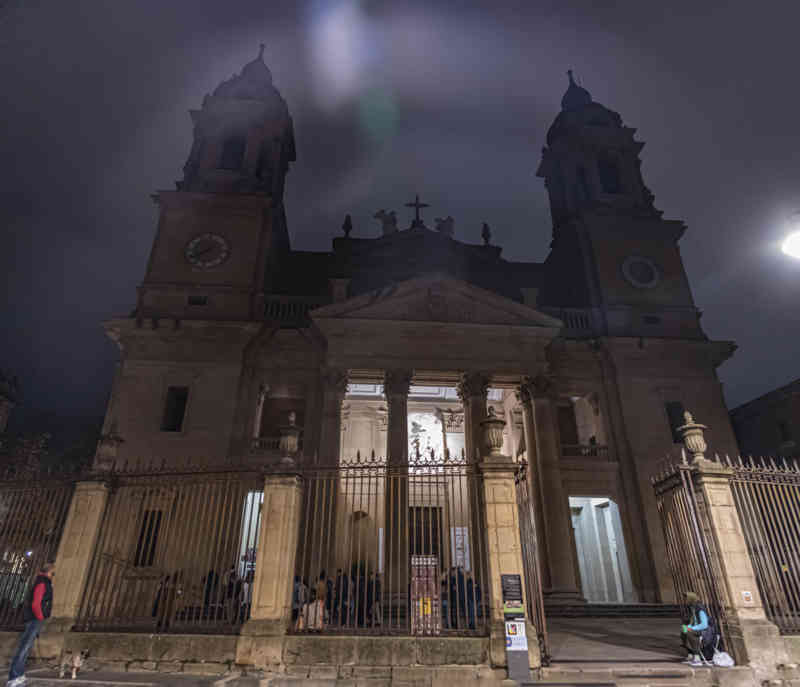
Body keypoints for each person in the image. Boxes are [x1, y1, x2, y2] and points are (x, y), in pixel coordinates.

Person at [8, 562, 55, 687]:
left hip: (35, 619)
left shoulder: (42, 582)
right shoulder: (42, 583)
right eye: (53, 573)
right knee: (24, 648)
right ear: (49, 572)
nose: (53, 575)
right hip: (35, 619)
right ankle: (14, 677)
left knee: (26, 648)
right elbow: (36, 603)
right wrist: (40, 618)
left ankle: (19, 674)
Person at [681, 591, 717, 666]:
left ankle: (697, 658)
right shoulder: (692, 607)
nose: (685, 600)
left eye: (686, 598)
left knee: (690, 632)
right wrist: (688, 627)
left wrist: (692, 628)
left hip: (706, 631)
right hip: (698, 628)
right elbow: (693, 621)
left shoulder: (699, 608)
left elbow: (704, 624)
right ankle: (690, 654)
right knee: (684, 630)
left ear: (691, 599)